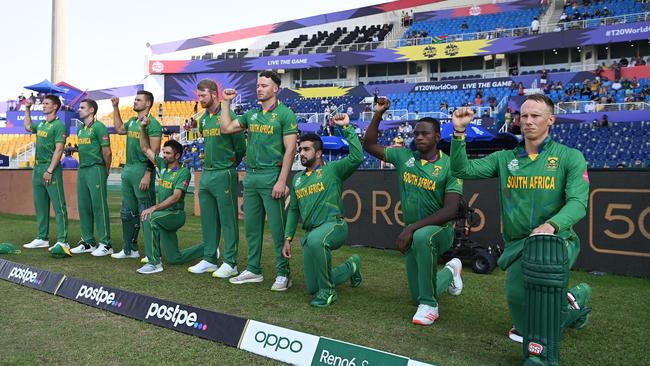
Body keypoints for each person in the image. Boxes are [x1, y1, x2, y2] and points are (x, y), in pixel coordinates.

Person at [449, 95, 592, 361]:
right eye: (524, 116)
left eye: (535, 115)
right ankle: (575, 302)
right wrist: (459, 132)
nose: (528, 121)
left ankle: (539, 354)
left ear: (550, 119)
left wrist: (552, 225)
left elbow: (578, 203)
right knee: (518, 298)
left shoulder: (569, 157)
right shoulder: (505, 158)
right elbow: (462, 169)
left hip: (556, 241)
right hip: (517, 243)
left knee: (542, 298)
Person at [363, 98, 464, 325]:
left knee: (421, 237)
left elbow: (451, 210)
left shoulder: (451, 165)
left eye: (425, 133)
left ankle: (430, 306)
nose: (418, 137)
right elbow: (368, 145)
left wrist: (411, 229)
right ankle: (450, 271)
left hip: (440, 230)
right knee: (415, 296)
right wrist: (378, 113)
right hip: (412, 231)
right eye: (416, 133)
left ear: (437, 137)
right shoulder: (404, 157)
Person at [219, 71, 298, 291]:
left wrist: (282, 181)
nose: (259, 88)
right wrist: (226, 102)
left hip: (272, 176)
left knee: (278, 229)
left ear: (275, 88)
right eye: (257, 85)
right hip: (251, 176)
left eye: (264, 85)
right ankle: (253, 269)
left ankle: (283, 274)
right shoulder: (252, 114)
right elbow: (225, 128)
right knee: (252, 228)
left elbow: (290, 150)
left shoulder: (285, 114)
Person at [282, 114, 363, 307]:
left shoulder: (332, 170)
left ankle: (329, 292)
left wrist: (347, 128)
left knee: (318, 241)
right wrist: (288, 238)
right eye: (300, 149)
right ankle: (352, 266)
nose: (301, 152)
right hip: (311, 234)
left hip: (335, 225)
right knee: (312, 287)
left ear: (318, 153)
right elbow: (293, 211)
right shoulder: (298, 179)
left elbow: (357, 157)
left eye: (306, 149)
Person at [186, 79, 246, 277]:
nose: (200, 99)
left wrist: (229, 164)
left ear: (214, 94)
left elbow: (240, 147)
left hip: (224, 172)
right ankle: (210, 258)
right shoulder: (203, 119)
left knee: (228, 220)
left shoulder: (228, 115)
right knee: (208, 219)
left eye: (203, 96)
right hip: (207, 173)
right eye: (198, 96)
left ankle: (231, 262)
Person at [136, 129, 203, 274]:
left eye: (167, 153)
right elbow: (145, 148)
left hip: (175, 214)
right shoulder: (162, 165)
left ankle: (154, 262)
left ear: (177, 155)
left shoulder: (183, 172)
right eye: (163, 152)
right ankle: (208, 248)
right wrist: (142, 128)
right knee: (174, 258)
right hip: (164, 216)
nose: (164, 156)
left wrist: (154, 207)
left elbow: (176, 197)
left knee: (149, 217)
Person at [110, 91, 162, 260]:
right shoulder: (133, 121)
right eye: (135, 99)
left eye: (138, 100)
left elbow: (154, 152)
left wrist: (148, 173)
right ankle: (129, 249)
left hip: (142, 170)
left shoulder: (153, 123)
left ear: (148, 104)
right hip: (129, 170)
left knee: (145, 211)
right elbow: (119, 129)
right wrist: (115, 107)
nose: (135, 102)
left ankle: (152, 252)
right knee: (127, 212)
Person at [22, 95, 70, 251]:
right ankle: (42, 238)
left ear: (55, 106)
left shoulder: (59, 126)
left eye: (46, 103)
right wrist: (27, 109)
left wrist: (50, 170)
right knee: (40, 205)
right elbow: (28, 127)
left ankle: (63, 240)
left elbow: (59, 149)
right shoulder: (42, 124)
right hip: (37, 168)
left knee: (58, 205)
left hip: (51, 169)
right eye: (43, 103)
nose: (43, 106)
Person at [69, 99, 114, 256]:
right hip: (83, 169)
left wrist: (105, 170)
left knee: (99, 206)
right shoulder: (80, 129)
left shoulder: (99, 127)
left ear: (91, 110)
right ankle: (88, 241)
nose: (79, 110)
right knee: (83, 206)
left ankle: (106, 244)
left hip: (96, 169)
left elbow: (107, 152)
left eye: (82, 107)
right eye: (79, 107)